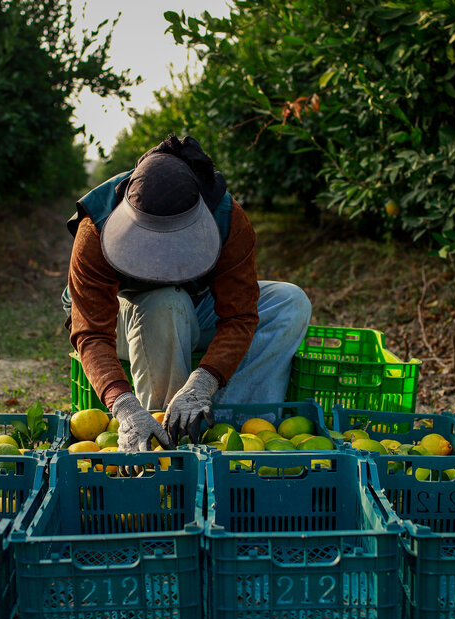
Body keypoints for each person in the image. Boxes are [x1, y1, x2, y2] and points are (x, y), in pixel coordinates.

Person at [62, 135, 311, 453]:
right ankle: (163, 435)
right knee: (166, 302)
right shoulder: (95, 225)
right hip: (123, 320)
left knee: (290, 302)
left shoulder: (227, 218)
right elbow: (92, 333)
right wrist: (124, 406)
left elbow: (239, 314)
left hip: (195, 306)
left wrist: (202, 383)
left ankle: (232, 426)